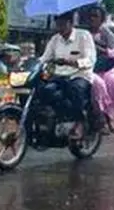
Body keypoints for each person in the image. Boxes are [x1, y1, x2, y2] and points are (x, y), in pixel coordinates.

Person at [39, 11, 98, 140]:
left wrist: (74, 63)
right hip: (59, 75)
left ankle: (79, 122)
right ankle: (52, 119)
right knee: (44, 89)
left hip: (80, 75)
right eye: (58, 25)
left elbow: (91, 59)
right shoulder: (55, 39)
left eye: (62, 25)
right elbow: (44, 58)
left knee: (75, 88)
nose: (59, 28)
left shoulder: (84, 36)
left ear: (71, 23)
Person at [88, 6, 114, 134]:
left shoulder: (106, 33)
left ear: (102, 19)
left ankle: (109, 118)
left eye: (95, 16)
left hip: (104, 68)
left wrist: (102, 50)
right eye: (91, 16)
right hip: (87, 67)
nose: (92, 19)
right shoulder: (83, 33)